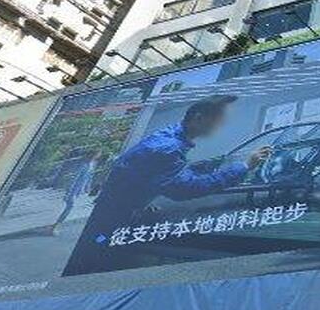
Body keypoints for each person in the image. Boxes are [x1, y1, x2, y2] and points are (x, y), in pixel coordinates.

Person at [66, 97, 270, 269]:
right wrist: (244, 166)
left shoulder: (168, 136)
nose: (222, 125)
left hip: (114, 209)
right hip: (112, 219)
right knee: (98, 254)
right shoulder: (169, 149)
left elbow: (153, 174)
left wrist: (141, 200)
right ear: (199, 118)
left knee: (97, 248)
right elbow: (187, 189)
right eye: (220, 120)